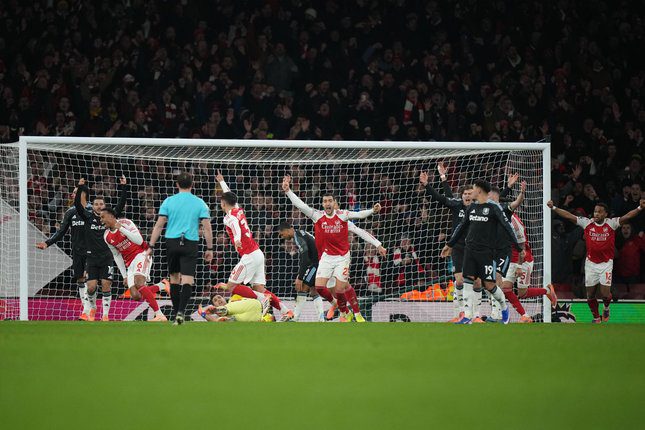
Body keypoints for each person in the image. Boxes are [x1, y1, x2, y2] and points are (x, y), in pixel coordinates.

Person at [282, 174, 380, 322]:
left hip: (342, 257)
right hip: (326, 258)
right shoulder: (317, 216)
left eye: (330, 201)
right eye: (325, 201)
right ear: (322, 204)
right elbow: (301, 205)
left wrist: (372, 212)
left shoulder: (343, 217)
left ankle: (352, 313)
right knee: (321, 288)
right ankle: (343, 311)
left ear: (334, 203)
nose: (328, 204)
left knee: (341, 289)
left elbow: (359, 219)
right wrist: (288, 191)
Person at [547, 198, 645, 322]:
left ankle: (606, 308)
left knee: (605, 294)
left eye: (599, 212)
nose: (596, 214)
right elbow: (569, 216)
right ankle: (596, 317)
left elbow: (627, 216)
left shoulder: (611, 223)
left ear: (605, 214)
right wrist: (554, 207)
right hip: (591, 264)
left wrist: (640, 208)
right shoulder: (587, 223)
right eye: (595, 211)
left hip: (606, 264)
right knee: (590, 295)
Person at [216, 170, 293, 321]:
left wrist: (237, 239)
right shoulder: (237, 209)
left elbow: (235, 226)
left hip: (249, 256)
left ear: (223, 203)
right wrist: (222, 182)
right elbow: (230, 195)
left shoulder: (229, 217)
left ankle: (263, 299)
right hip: (257, 253)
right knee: (259, 288)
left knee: (231, 286)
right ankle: (287, 311)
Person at [441, 179, 522, 324]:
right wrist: (450, 244)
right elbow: (461, 227)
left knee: (489, 285)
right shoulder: (472, 207)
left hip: (486, 253)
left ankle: (504, 308)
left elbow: (507, 226)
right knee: (467, 280)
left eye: (473, 189)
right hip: (470, 251)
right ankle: (467, 316)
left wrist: (518, 247)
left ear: (478, 190)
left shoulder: (493, 208)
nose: (471, 191)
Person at [148, 172, 213, 325]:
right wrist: (209, 248)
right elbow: (207, 227)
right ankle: (181, 312)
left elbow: (159, 225)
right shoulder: (200, 203)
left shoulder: (168, 201)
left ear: (177, 184)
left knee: (174, 279)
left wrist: (151, 245)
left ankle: (177, 313)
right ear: (192, 184)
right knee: (188, 280)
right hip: (190, 242)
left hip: (172, 242)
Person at [420, 162, 473, 322]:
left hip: (474, 248)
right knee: (459, 280)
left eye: (470, 194)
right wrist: (428, 184)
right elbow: (442, 197)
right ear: (462, 196)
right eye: (465, 194)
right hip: (457, 247)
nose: (467, 196)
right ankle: (459, 314)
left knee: (475, 281)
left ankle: (473, 314)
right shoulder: (457, 205)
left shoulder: (478, 209)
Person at [74, 177, 128, 321]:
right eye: (96, 204)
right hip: (91, 258)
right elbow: (78, 205)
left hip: (107, 257)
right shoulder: (87, 217)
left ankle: (105, 315)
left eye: (101, 204)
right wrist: (80, 188)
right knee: (91, 287)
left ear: (104, 206)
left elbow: (121, 204)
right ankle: (92, 308)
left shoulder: (109, 218)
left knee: (106, 285)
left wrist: (123, 187)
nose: (98, 206)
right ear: (92, 205)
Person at [100, 208, 167, 321]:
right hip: (129, 263)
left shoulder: (126, 223)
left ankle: (159, 315)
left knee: (139, 283)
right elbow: (117, 255)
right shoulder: (106, 236)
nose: (101, 220)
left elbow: (139, 241)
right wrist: (124, 275)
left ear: (111, 216)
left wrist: (121, 228)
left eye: (102, 217)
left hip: (142, 254)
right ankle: (163, 285)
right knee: (136, 295)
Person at [36, 186, 90, 320]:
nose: (72, 195)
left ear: (83, 194)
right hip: (77, 251)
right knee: (80, 279)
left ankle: (90, 310)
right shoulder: (70, 212)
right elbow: (61, 231)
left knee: (90, 279)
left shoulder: (92, 210)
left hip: (92, 250)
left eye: (75, 192)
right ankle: (86, 311)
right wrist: (47, 243)